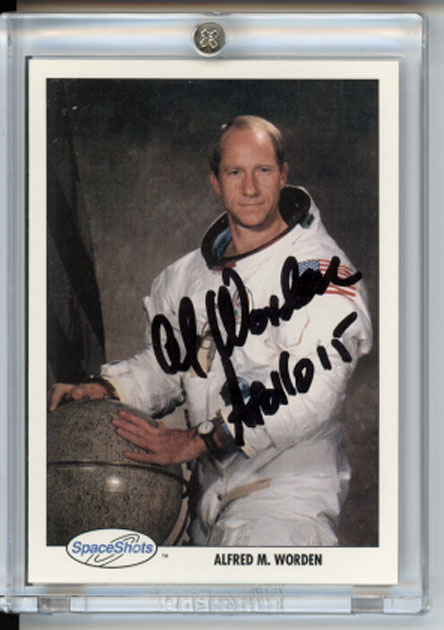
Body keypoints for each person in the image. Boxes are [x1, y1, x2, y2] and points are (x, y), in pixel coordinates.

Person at [49, 115, 372, 546]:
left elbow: (311, 389)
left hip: (286, 503)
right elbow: (169, 367)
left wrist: (197, 440)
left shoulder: (322, 271)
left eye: (263, 170)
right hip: (208, 503)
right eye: (235, 172)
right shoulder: (187, 278)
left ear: (283, 175)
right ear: (215, 181)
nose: (250, 188)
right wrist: (108, 388)